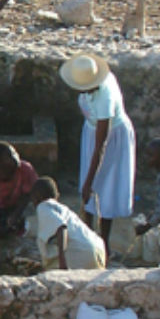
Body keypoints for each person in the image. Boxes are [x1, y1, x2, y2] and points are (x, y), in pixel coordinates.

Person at [59, 53, 136, 254]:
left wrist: (89, 183)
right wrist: (87, 183)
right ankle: (87, 234)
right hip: (92, 131)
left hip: (111, 139)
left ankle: (104, 243)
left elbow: (101, 147)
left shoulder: (105, 98)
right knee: (89, 189)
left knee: (105, 188)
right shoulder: (88, 85)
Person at [31, 177, 106, 270]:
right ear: (57, 196)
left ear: (36, 198)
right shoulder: (64, 209)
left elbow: (61, 227)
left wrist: (63, 263)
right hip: (98, 249)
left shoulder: (43, 206)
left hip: (82, 255)